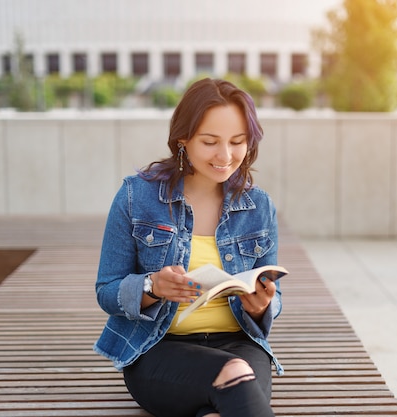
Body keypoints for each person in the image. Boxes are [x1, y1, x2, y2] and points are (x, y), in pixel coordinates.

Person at [93, 78, 283, 417]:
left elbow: (272, 296)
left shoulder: (259, 206)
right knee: (236, 375)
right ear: (183, 138)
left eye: (237, 142)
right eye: (210, 142)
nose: (225, 156)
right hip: (159, 349)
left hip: (240, 344)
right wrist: (152, 287)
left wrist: (261, 305)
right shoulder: (137, 197)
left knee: (221, 402)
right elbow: (107, 290)